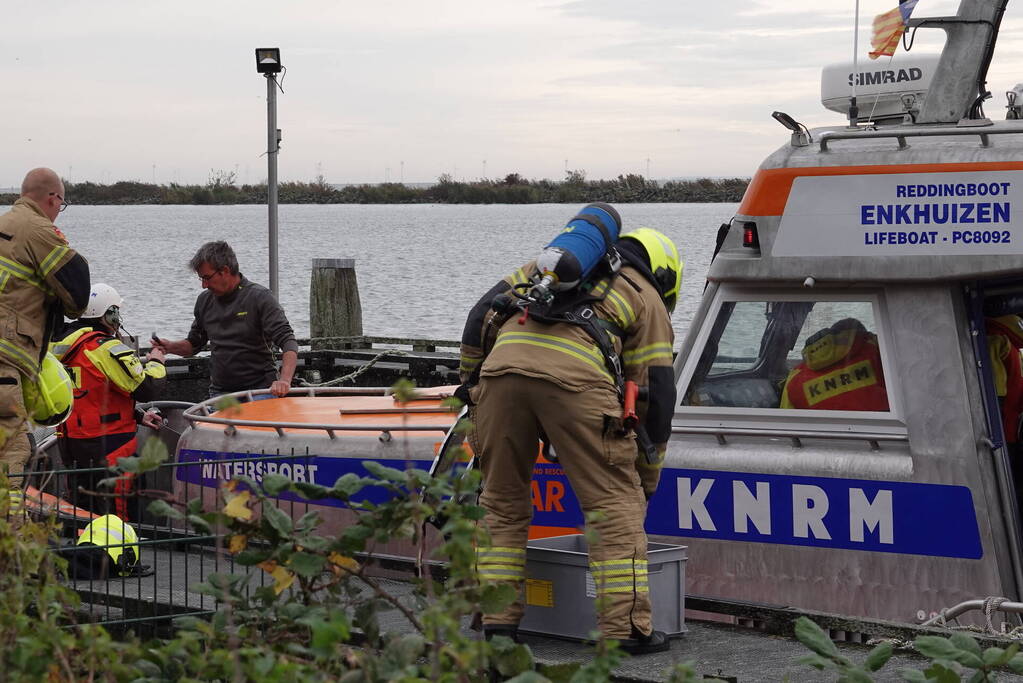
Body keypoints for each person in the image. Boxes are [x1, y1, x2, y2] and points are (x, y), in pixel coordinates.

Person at [459, 224, 681, 654]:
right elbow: (656, 395)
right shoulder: (644, 295)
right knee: (613, 505)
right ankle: (625, 630)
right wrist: (645, 479)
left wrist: (471, 384)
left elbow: (478, 317)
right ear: (664, 273)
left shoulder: (539, 271)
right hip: (576, 385)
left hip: (499, 376)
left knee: (501, 502)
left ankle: (498, 624)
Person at [0, 168, 90, 485]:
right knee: (12, 450)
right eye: (61, 206)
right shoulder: (38, 230)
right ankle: (8, 532)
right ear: (53, 199)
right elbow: (78, 294)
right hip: (5, 362)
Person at [52, 284, 166, 520]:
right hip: (111, 445)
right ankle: (119, 553)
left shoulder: (57, 346)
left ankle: (87, 552)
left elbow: (88, 394)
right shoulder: (105, 348)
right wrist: (157, 362)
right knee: (116, 513)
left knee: (83, 509)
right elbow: (147, 389)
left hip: (72, 444)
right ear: (109, 315)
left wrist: (136, 416)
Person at [153, 241, 298, 398]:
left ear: (225, 271)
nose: (204, 285)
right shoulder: (204, 301)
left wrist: (284, 380)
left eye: (207, 278)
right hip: (220, 393)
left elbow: (288, 341)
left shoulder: (260, 297)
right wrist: (169, 347)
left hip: (260, 390)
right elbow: (194, 345)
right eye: (201, 279)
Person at [779, 317, 889, 411]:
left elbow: (785, 422)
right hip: (884, 432)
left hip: (819, 435)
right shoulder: (879, 353)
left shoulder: (795, 377)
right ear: (859, 336)